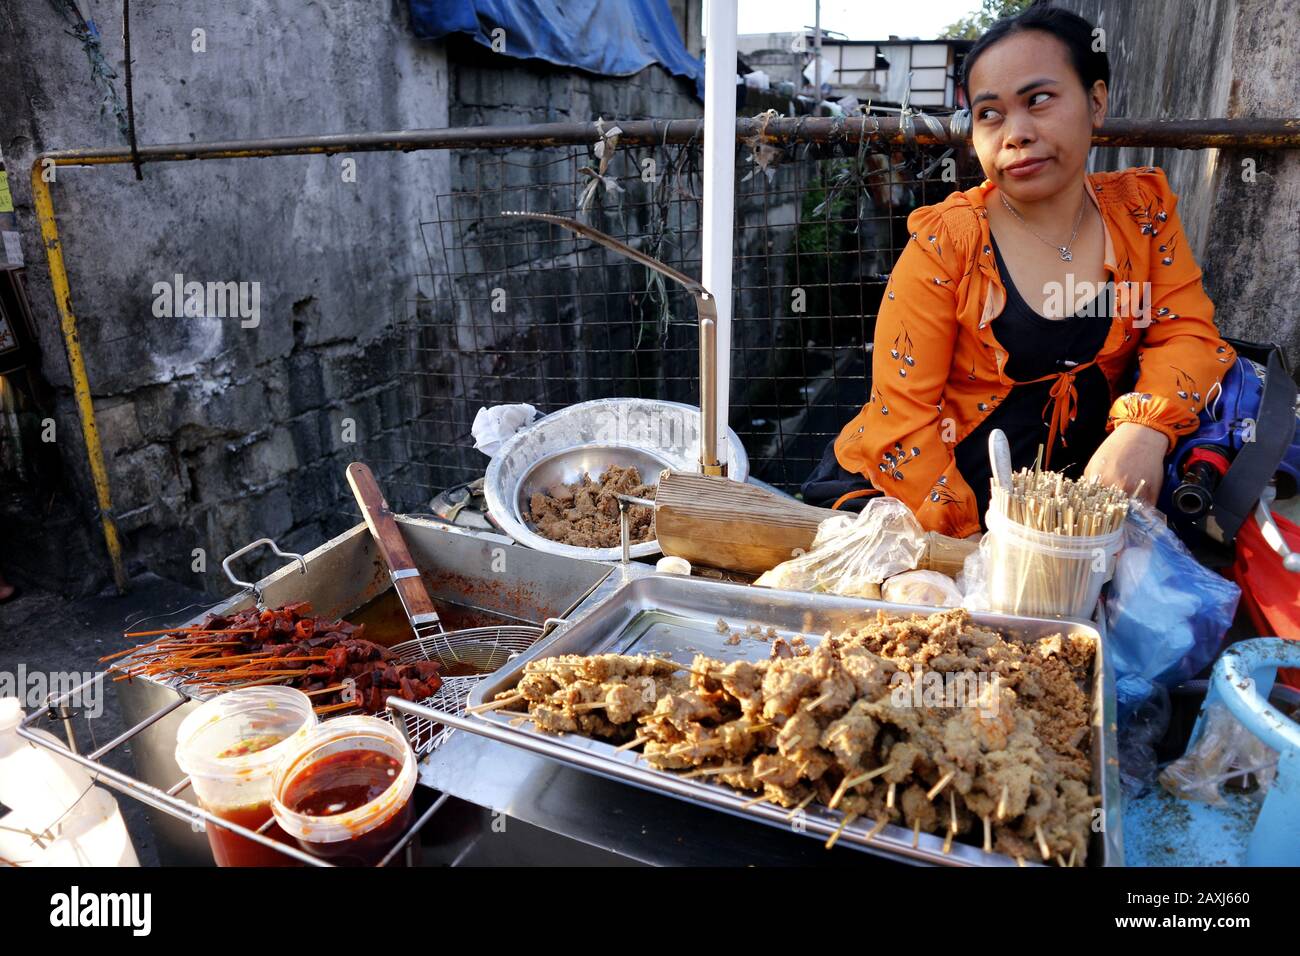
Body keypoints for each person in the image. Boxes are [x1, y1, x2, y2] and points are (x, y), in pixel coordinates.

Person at [803, 5, 1235, 538]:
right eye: (990, 114)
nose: (1016, 133)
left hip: (1071, 512)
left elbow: (1185, 332)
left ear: (1095, 101)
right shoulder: (948, 242)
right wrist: (978, 548)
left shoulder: (1141, 214)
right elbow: (904, 417)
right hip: (919, 510)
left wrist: (1145, 430)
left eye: (1039, 100)